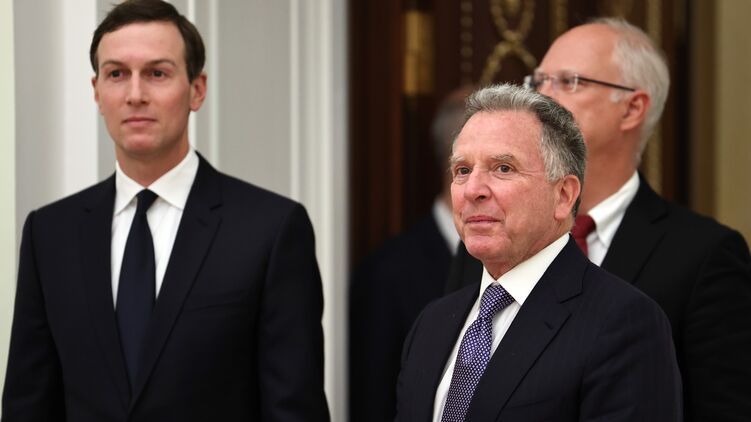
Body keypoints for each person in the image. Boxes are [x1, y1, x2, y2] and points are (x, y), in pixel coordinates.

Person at [2, 1, 329, 420]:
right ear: (97, 92)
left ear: (197, 89)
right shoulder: (49, 234)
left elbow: (295, 410)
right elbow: (27, 405)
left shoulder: (270, 230)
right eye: (117, 74)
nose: (135, 94)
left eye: (157, 73)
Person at [395, 84, 682, 421]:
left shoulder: (623, 322)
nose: (473, 190)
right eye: (463, 170)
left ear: (563, 195)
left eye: (503, 168)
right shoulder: (432, 324)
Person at [525, 17, 751, 420]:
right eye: (538, 81)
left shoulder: (703, 256)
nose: (541, 99)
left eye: (569, 82)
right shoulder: (500, 235)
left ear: (632, 108)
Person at [349, 88, 470, 422]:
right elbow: (373, 400)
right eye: (504, 165)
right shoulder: (386, 273)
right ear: (458, 165)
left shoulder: (525, 260)